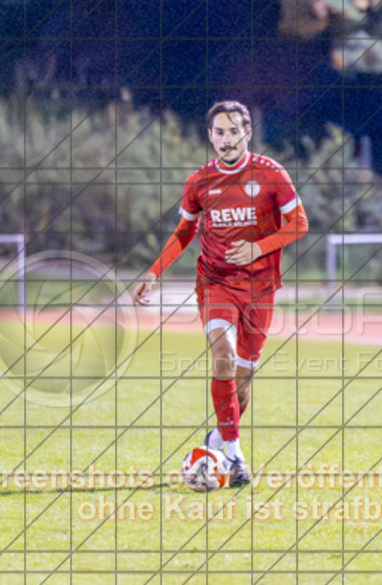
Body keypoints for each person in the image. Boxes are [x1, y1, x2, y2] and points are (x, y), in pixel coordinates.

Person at [134, 101, 309, 488]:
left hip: (261, 287)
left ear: (247, 132)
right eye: (218, 132)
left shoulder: (270, 174)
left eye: (233, 131)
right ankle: (235, 458)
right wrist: (153, 271)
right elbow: (184, 232)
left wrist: (259, 248)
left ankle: (216, 441)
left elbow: (299, 223)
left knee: (242, 385)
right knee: (223, 357)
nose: (225, 139)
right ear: (209, 135)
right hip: (216, 283)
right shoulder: (199, 182)